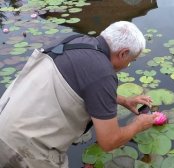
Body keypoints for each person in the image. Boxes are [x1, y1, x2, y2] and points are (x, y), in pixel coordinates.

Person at [0, 21, 158, 168]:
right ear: (123, 53)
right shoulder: (102, 72)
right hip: (23, 149)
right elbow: (109, 141)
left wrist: (123, 100)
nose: (128, 65)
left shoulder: (74, 42)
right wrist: (138, 125)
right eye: (132, 60)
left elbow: (79, 86)